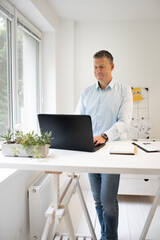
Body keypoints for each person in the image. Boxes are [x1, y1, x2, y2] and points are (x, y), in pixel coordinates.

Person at [75, 50, 133, 240]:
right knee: (98, 200)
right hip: (91, 151)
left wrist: (104, 136)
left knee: (108, 201)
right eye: (94, 67)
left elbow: (124, 122)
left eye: (102, 66)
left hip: (112, 152)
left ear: (112, 67)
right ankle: (105, 236)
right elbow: (78, 120)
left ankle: (109, 238)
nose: (98, 70)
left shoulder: (124, 90)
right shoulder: (86, 92)